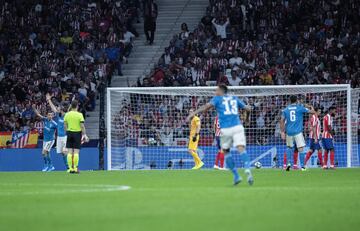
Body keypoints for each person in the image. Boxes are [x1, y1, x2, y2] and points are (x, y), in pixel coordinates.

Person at [187, 85, 253, 186]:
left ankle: (236, 175)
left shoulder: (217, 99)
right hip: (238, 127)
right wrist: (247, 119)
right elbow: (248, 109)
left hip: (226, 129)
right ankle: (247, 169)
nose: (215, 91)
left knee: (226, 152)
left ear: (221, 91)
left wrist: (193, 114)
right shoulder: (234, 98)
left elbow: (205, 107)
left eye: (217, 90)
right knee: (241, 149)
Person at [280, 95, 315, 171]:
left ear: (290, 101)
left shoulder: (285, 110)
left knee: (289, 147)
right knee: (300, 148)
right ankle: (302, 166)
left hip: (289, 132)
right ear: (296, 100)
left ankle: (289, 164)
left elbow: (282, 120)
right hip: (298, 132)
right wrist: (308, 106)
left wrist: (282, 132)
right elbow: (312, 112)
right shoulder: (300, 108)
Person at [64, 100, 89, 173]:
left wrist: (67, 132)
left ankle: (70, 169)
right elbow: (82, 126)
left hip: (69, 133)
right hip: (77, 133)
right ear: (77, 106)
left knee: (69, 152)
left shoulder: (67, 114)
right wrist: (84, 135)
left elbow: (65, 125)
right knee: (76, 152)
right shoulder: (79, 115)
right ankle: (75, 168)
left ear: (71, 106)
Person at [46, 93, 68, 170]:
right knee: (62, 153)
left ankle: (69, 168)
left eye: (58, 107)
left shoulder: (66, 116)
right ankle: (68, 167)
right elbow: (53, 109)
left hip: (65, 136)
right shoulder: (58, 116)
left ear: (61, 108)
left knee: (65, 151)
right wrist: (49, 100)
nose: (57, 108)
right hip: (59, 137)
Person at [33, 105, 57, 172]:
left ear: (52, 116)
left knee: (44, 152)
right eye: (48, 115)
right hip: (45, 140)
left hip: (51, 140)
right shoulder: (46, 119)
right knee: (46, 153)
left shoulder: (54, 123)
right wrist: (34, 108)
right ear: (47, 115)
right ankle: (51, 166)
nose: (50, 116)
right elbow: (38, 114)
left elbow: (59, 130)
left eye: (51, 115)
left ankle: (47, 165)